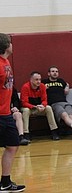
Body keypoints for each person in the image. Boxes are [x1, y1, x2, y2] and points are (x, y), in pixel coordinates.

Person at [0, 33, 25, 192]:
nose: (12, 44)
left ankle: (5, 182)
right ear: (6, 45)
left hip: (6, 113)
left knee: (13, 145)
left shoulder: (6, 61)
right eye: (10, 42)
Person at [42, 66, 72, 140]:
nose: (55, 73)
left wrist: (67, 86)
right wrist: (43, 88)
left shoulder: (61, 81)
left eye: (56, 71)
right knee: (64, 115)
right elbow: (40, 92)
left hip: (65, 102)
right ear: (49, 73)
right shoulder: (44, 82)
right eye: (53, 71)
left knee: (71, 116)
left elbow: (66, 92)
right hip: (55, 104)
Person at [20, 71, 60, 141]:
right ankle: (26, 133)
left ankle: (54, 131)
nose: (38, 81)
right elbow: (24, 103)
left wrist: (42, 105)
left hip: (39, 108)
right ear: (31, 80)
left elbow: (45, 100)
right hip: (29, 108)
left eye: (40, 79)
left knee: (48, 108)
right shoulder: (25, 87)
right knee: (25, 111)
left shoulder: (42, 86)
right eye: (36, 80)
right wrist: (34, 107)